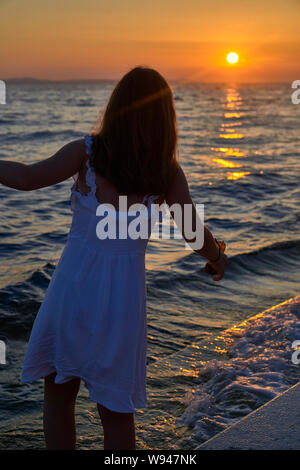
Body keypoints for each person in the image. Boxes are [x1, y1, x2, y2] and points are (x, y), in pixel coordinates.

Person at [0, 66, 228, 450]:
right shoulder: (166, 173)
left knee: (58, 393)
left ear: (117, 107)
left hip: (72, 290)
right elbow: (192, 233)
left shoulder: (85, 153)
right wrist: (218, 256)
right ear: (165, 120)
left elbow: (26, 177)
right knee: (116, 410)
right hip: (121, 302)